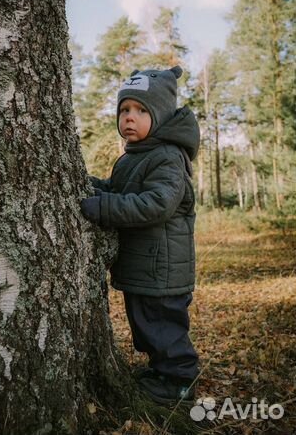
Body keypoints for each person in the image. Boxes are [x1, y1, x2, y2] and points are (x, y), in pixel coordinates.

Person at [80, 66, 200, 405]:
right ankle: (162, 373)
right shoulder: (134, 157)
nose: (130, 118)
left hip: (162, 269)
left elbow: (155, 204)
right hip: (145, 267)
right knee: (147, 326)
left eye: (141, 110)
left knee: (163, 327)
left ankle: (179, 381)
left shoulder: (167, 157)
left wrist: (103, 207)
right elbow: (120, 190)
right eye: (124, 110)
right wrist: (88, 185)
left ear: (160, 116)